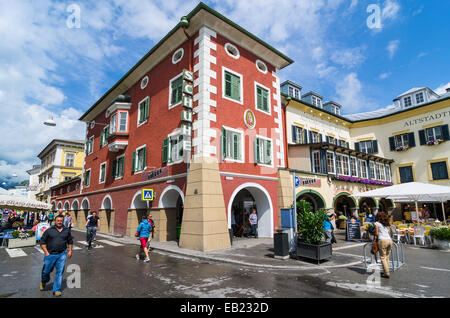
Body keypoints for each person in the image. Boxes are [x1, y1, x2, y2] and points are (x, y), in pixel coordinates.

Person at [39, 214, 73, 296]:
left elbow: (70, 241)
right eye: (58, 221)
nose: (59, 222)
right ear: (55, 221)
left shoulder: (66, 230)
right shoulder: (49, 230)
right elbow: (42, 242)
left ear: (63, 221)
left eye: (61, 221)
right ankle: (44, 281)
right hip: (50, 254)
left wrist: (70, 251)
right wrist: (46, 252)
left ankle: (57, 290)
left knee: (60, 272)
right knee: (46, 271)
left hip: (62, 254)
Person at [374, 212, 392, 279]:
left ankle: (386, 273)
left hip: (382, 240)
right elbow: (389, 232)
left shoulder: (377, 223)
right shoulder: (387, 224)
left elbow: (376, 233)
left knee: (383, 257)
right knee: (387, 257)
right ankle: (386, 271)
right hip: (389, 240)